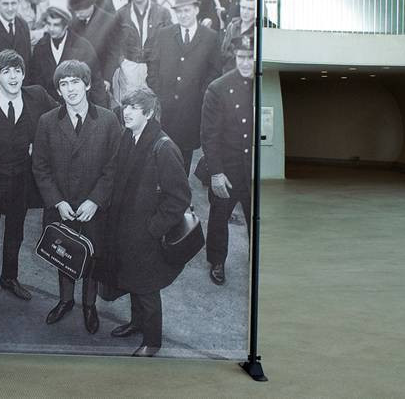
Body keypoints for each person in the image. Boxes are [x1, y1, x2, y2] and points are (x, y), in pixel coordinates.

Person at [0, 50, 58, 320]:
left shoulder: (38, 96)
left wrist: (40, 146)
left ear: (24, 73)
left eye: (17, 70)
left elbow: (59, 118)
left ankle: (9, 278)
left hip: (21, 183)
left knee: (14, 235)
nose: (13, 76)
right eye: (6, 71)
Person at [32, 60, 121, 334]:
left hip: (94, 208)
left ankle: (89, 305)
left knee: (92, 257)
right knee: (64, 254)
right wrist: (57, 201)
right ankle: (66, 300)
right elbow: (40, 166)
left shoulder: (108, 119)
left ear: (87, 84)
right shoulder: (47, 121)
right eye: (63, 84)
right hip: (62, 207)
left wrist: (95, 200)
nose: (70, 89)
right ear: (58, 90)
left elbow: (113, 166)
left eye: (75, 82)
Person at [105, 87, 191, 357]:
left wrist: (152, 229)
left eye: (133, 108)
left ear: (150, 113)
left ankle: (152, 341)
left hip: (147, 233)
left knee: (147, 288)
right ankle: (136, 323)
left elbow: (179, 198)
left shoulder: (163, 147)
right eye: (125, 106)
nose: (125, 112)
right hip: (126, 229)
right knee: (132, 280)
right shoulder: (129, 137)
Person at [196, 36, 254, 286]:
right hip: (227, 167)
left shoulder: (267, 84)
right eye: (241, 57)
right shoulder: (218, 88)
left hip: (254, 169)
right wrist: (217, 173)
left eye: (251, 57)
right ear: (234, 57)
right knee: (220, 216)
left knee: (257, 217)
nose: (245, 62)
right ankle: (217, 260)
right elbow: (209, 135)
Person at [147, 0, 221, 175]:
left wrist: (200, 95)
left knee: (184, 156)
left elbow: (215, 71)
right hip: (166, 110)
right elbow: (153, 64)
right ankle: (162, 194)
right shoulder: (164, 34)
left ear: (196, 10)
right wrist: (159, 91)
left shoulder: (210, 37)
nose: (183, 15)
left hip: (191, 110)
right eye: (179, 11)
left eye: (187, 10)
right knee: (162, 151)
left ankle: (180, 198)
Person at [28, 6, 108, 108]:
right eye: (49, 24)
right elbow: (36, 83)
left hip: (78, 107)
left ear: (66, 25)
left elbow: (96, 83)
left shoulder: (83, 46)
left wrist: (101, 114)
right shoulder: (40, 47)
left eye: (56, 25)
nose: (51, 29)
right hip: (48, 110)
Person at [69, 0, 122, 94]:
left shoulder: (110, 21)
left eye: (81, 12)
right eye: (75, 12)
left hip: (101, 77)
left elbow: (114, 52)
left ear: (91, 5)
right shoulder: (74, 22)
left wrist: (107, 78)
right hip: (80, 77)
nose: (77, 15)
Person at [220, 0, 256, 73]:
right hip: (227, 75)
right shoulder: (232, 26)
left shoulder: (257, 32)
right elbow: (223, 52)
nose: (245, 12)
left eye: (250, 9)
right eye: (243, 7)